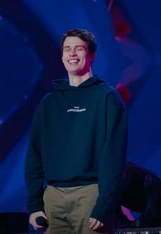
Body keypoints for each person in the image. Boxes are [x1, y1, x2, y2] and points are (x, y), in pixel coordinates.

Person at [25, 28, 127, 234]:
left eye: (78, 49)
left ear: (92, 55)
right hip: (53, 198)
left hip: (90, 196)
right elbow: (34, 155)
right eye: (67, 49)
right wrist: (35, 205)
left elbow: (114, 156)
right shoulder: (49, 102)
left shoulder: (106, 97)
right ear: (62, 56)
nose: (72, 54)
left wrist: (104, 206)